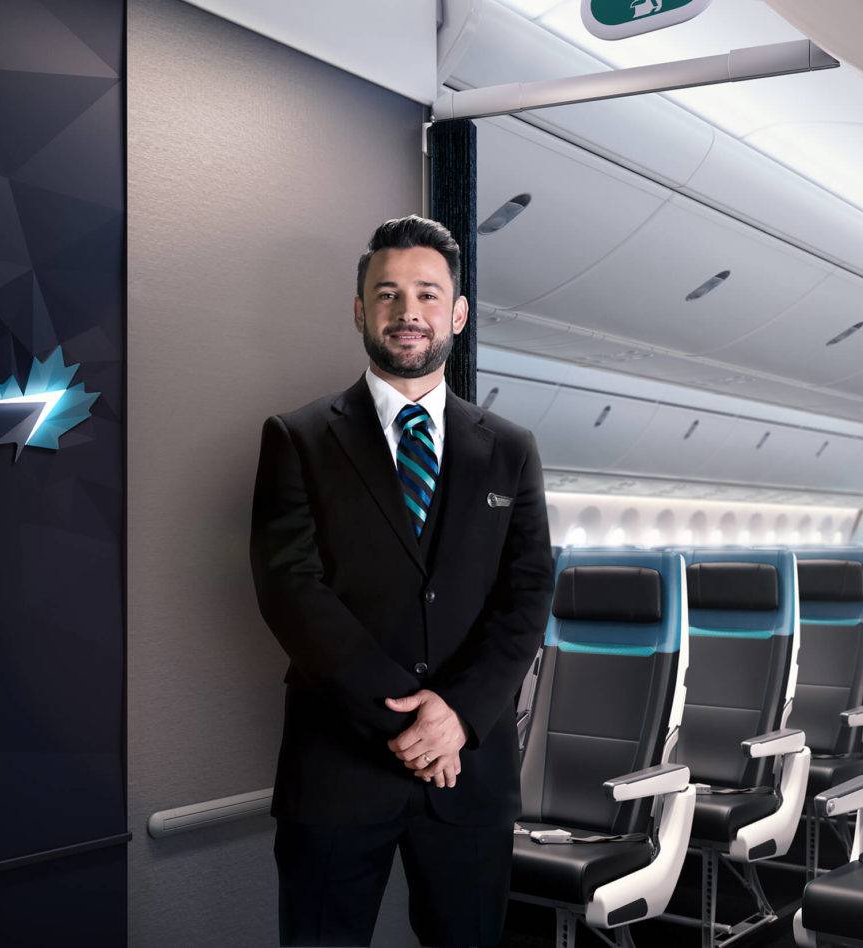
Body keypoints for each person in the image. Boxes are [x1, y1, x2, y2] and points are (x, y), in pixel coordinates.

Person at [250, 215, 554, 947]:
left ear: (457, 314)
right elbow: (291, 590)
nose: (407, 311)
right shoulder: (298, 438)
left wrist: (457, 715)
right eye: (387, 295)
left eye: (426, 294)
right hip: (337, 772)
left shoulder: (509, 449)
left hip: (467, 774)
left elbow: (527, 597)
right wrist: (410, 725)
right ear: (360, 311)